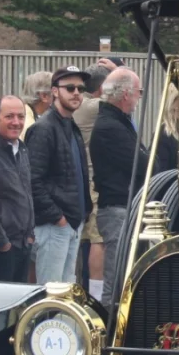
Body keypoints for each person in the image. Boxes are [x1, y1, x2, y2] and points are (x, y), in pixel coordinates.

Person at [27, 67, 92, 284]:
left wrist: (83, 213)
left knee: (65, 293)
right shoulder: (43, 128)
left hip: (73, 222)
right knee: (50, 293)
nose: (76, 93)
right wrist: (58, 217)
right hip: (54, 225)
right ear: (54, 91)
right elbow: (32, 180)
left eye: (81, 88)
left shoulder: (71, 125)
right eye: (70, 88)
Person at [91, 68, 148, 296]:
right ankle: (111, 327)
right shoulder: (109, 128)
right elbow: (143, 164)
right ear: (126, 94)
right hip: (117, 210)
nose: (138, 99)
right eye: (138, 92)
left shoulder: (120, 123)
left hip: (126, 207)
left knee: (128, 279)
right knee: (116, 284)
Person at [0, 96, 35, 282]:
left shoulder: (22, 149)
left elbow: (27, 193)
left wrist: (30, 235)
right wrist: (1, 242)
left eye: (20, 116)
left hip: (23, 245)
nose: (16, 122)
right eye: (9, 116)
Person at [72, 65, 108, 298]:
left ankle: (77, 286)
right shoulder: (94, 106)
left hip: (80, 181)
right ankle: (96, 293)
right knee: (98, 238)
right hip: (94, 181)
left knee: (81, 239)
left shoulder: (78, 106)